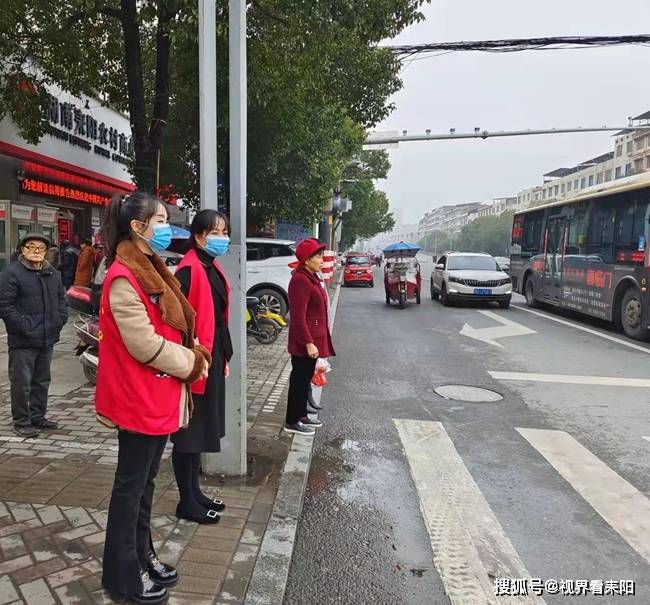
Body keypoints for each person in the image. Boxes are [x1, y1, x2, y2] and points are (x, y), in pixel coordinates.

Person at [96, 192, 211, 604]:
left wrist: (193, 353)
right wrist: (193, 362)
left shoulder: (153, 268)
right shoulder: (124, 276)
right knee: (130, 488)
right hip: (138, 396)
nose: (166, 227)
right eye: (159, 220)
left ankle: (143, 557)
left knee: (145, 483)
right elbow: (143, 343)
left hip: (158, 393)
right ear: (138, 227)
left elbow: (174, 326)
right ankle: (123, 573)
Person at [172, 209, 233, 524]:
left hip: (211, 359)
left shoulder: (211, 267)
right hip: (194, 364)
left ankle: (195, 493)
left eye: (224, 232)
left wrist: (223, 358)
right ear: (198, 236)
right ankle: (186, 503)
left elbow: (218, 320)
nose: (222, 238)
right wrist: (193, 361)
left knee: (201, 433)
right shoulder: (189, 270)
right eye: (215, 232)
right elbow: (177, 324)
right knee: (188, 434)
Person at [0, 233, 67, 438]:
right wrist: (24, 326)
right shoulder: (11, 273)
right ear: (22, 249)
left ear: (47, 251)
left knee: (42, 380)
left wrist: (60, 319)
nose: (36, 251)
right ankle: (21, 420)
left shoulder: (52, 273)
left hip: (47, 336)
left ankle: (38, 416)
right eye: (31, 246)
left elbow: (62, 300)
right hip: (23, 339)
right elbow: (5, 305)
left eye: (41, 247)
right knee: (22, 382)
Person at [285, 238, 335, 435]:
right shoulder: (300, 280)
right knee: (298, 381)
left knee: (304, 380)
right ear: (306, 260)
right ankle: (291, 421)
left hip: (313, 340)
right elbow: (298, 317)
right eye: (318, 256)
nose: (322, 259)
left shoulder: (311, 277)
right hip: (304, 343)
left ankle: (301, 415)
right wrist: (308, 342)